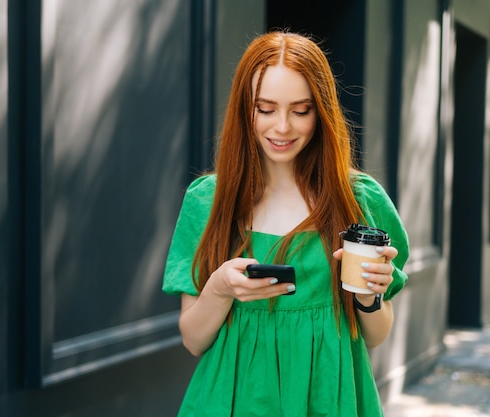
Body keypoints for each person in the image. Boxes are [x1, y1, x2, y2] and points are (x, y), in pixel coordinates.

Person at [162, 31, 409, 416]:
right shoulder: (208, 200)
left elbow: (376, 336)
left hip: (328, 399)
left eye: (300, 110)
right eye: (266, 108)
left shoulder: (358, 199)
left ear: (321, 111)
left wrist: (368, 295)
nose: (282, 127)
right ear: (246, 109)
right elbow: (194, 340)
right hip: (232, 400)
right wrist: (221, 287)